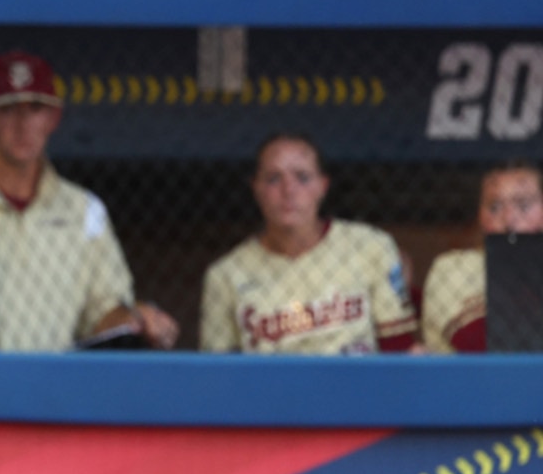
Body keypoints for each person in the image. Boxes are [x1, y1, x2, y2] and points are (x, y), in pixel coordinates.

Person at [0, 50, 179, 352]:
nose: (23, 124)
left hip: (50, 389)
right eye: (7, 109)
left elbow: (103, 314)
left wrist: (139, 318)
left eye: (35, 108)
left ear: (53, 118)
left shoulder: (84, 211)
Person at [201, 132, 418, 354]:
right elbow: (219, 374)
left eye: (302, 177)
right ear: (256, 187)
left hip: (356, 385)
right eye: (273, 179)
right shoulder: (225, 274)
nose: (289, 191)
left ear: (322, 186)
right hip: (273, 387)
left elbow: (399, 347)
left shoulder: (370, 246)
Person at [422, 161, 543, 353]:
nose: (509, 219)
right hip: (475, 382)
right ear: (480, 216)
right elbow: (491, 346)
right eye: (495, 207)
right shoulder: (455, 267)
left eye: (524, 205)